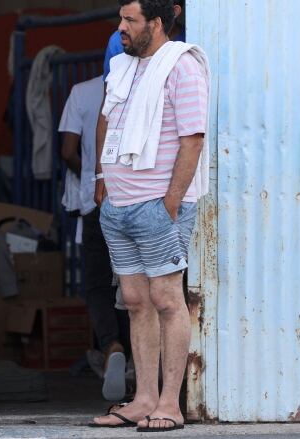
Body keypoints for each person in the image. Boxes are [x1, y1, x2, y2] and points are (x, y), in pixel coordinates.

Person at [89, 0, 210, 433]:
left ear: (156, 24)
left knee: (166, 301)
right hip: (119, 206)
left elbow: (192, 139)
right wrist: (102, 176)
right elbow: (106, 121)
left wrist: (172, 202)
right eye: (121, 18)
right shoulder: (121, 66)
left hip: (158, 207)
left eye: (129, 20)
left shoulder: (181, 66)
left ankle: (170, 405)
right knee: (137, 303)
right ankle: (142, 401)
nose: (120, 27)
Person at [58, 75, 131, 401]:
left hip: (95, 201)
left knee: (97, 284)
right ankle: (134, 358)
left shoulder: (81, 91)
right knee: (133, 284)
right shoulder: (151, 84)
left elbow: (67, 150)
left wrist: (90, 174)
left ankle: (110, 344)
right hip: (138, 200)